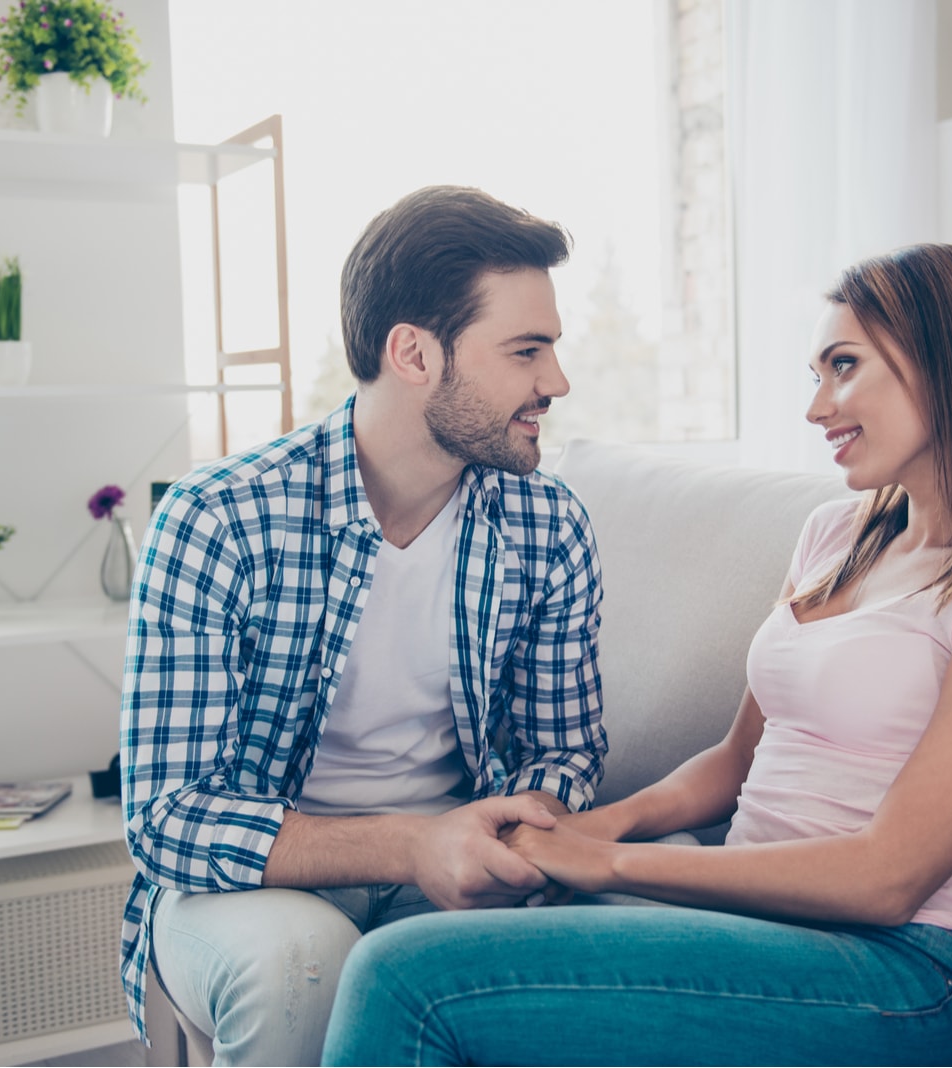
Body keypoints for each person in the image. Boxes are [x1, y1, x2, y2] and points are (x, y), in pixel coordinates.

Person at [320, 242, 952, 1067]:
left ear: (950, 364)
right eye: (815, 373)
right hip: (753, 932)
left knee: (405, 977)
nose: (818, 407)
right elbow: (736, 761)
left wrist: (608, 862)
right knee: (429, 920)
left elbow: (889, 876)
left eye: (844, 366)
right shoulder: (837, 537)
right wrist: (591, 824)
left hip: (909, 973)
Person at [118, 185, 608, 1066]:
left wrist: (516, 828)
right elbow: (165, 817)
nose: (555, 383)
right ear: (414, 354)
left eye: (553, 350)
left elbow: (563, 750)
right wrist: (409, 843)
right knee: (302, 963)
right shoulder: (219, 519)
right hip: (254, 882)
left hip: (458, 869)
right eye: (527, 351)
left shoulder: (549, 525)